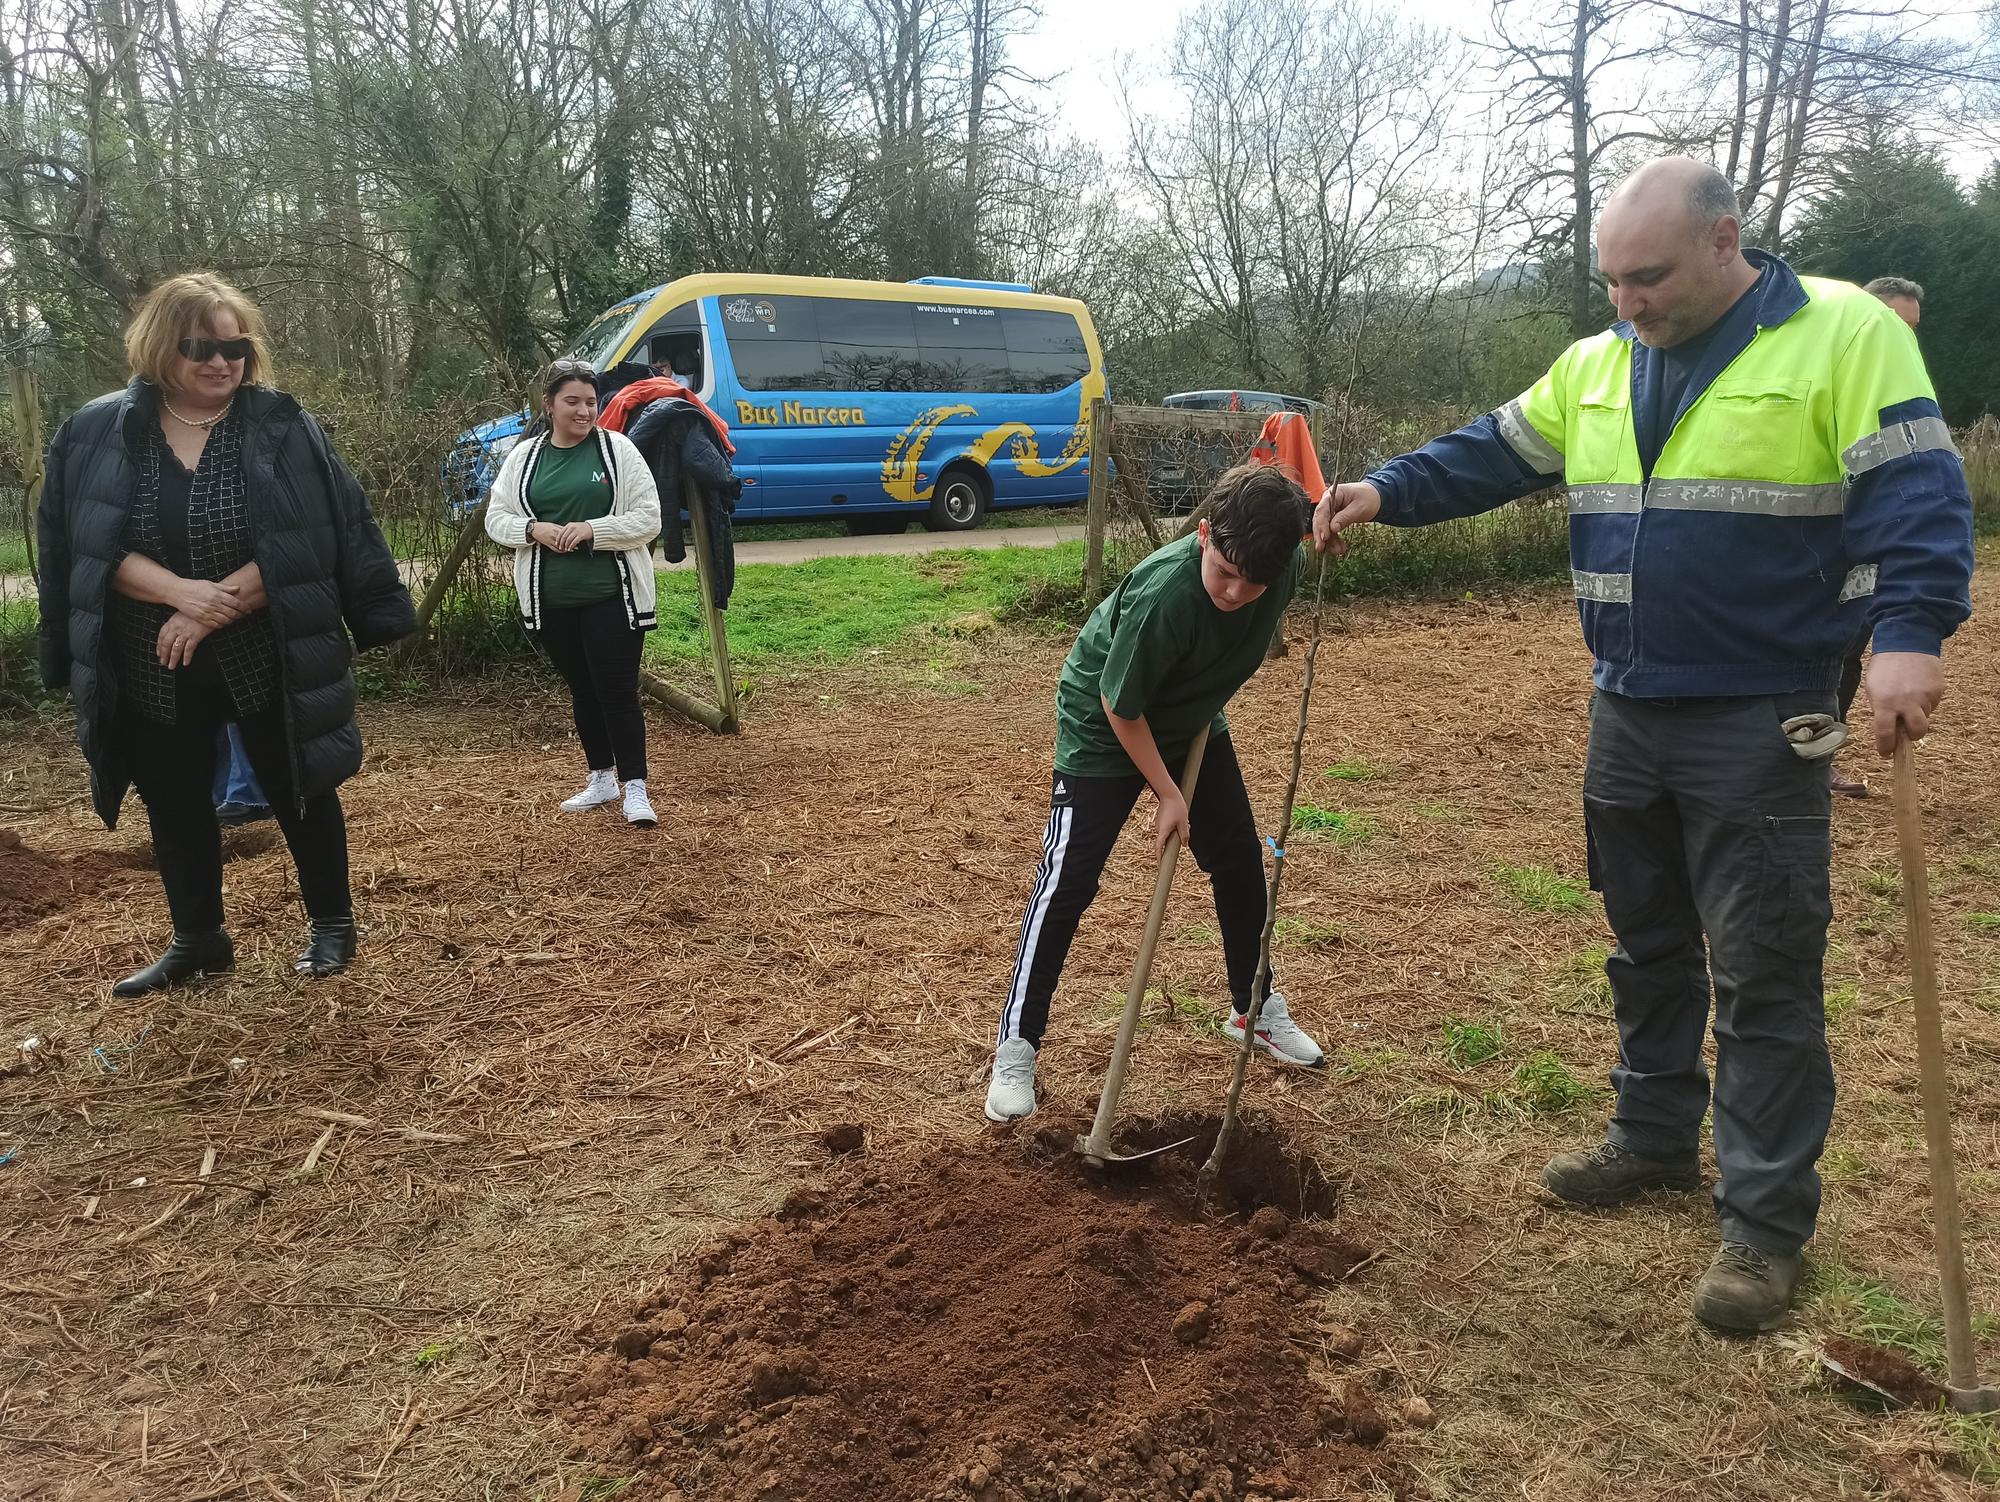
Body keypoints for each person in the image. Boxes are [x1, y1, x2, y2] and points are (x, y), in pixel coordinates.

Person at [1314, 159, 1974, 1332]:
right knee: (1644, 940)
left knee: (1762, 967)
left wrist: (1907, 633)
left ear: (1726, 240)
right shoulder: (1597, 361)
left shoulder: (1843, 333)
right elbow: (1495, 449)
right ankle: (1653, 1135)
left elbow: (1914, 494)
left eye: (1648, 276)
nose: (1627, 301)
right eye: (1611, 279)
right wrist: (1383, 489)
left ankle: (1763, 1226)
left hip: (1761, 709)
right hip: (1626, 702)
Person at [37, 272, 416, 994]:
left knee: (298, 786)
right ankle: (199, 941)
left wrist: (216, 606)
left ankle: (333, 926)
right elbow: (82, 546)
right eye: (199, 347)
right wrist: (182, 595)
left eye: (234, 346)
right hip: (148, 654)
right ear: (158, 347)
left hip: (267, 645)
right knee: (174, 798)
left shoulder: (279, 423)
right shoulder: (96, 430)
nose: (221, 362)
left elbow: (319, 534)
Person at [985, 463, 1328, 1124]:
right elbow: (1122, 706)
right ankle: (1017, 1047)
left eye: (1251, 585)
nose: (1233, 594)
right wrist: (1168, 793)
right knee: (1069, 880)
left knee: (1236, 860)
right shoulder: (1165, 596)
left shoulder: (1274, 568)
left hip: (1191, 713)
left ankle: (1253, 1009)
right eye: (1223, 574)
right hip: (1109, 720)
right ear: (1203, 535)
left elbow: (1321, 517)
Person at [485, 360, 663, 826]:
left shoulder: (618, 451)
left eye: (591, 401)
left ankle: (636, 789)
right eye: (573, 402)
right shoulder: (524, 458)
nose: (585, 411)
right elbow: (496, 518)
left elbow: (649, 517)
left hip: (612, 596)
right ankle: (600, 778)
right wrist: (534, 528)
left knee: (617, 691)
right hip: (552, 600)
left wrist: (592, 529)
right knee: (582, 690)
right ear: (549, 405)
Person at [1828, 277, 1930, 798]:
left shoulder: (1906, 396)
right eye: (1894, 323)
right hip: (1816, 562)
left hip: (1866, 567)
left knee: (1846, 659)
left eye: (1911, 329)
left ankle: (1819, 760)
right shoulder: (1831, 381)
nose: (1903, 338)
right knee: (1823, 659)